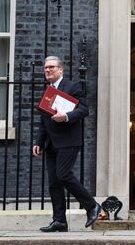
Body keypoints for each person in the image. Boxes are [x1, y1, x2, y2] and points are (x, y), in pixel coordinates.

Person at [33, 56, 101, 232]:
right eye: (46, 67)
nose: (48, 70)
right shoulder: (47, 91)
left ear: (60, 70)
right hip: (51, 143)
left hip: (68, 140)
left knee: (63, 175)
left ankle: (92, 206)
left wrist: (67, 117)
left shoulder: (72, 87)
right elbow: (43, 120)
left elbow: (84, 110)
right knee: (54, 182)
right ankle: (59, 220)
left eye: (52, 67)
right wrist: (38, 142)